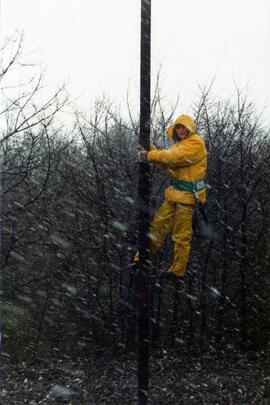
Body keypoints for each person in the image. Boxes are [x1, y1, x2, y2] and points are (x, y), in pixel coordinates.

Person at [134, 114, 207, 278]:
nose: (181, 130)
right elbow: (168, 162)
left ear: (190, 128)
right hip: (175, 194)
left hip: (188, 197)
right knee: (157, 228)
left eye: (183, 127)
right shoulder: (180, 145)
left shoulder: (196, 143)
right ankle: (141, 259)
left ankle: (177, 271)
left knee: (181, 235)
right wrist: (150, 150)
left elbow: (174, 158)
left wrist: (150, 155)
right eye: (178, 127)